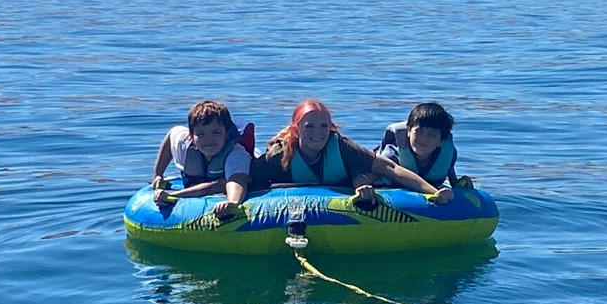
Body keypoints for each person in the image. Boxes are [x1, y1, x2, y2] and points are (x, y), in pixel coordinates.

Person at [250, 99, 452, 203]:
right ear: (296, 130)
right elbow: (246, 177)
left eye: (323, 126)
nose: (318, 133)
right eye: (309, 127)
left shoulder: (342, 147)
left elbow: (390, 168)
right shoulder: (279, 155)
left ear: (330, 127)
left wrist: (434, 193)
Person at [152, 100, 252, 217]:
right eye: (201, 134)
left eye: (216, 132)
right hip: (201, 179)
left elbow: (235, 180)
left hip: (228, 177)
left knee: (224, 183)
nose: (208, 140)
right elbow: (171, 135)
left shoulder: (237, 154)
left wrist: (233, 202)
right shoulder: (185, 144)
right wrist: (158, 174)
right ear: (191, 136)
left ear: (227, 134)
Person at [377, 102, 473, 194]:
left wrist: (461, 183)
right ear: (409, 131)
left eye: (432, 135)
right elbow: (372, 178)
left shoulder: (447, 155)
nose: (423, 139)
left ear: (441, 141)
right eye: (419, 131)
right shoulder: (391, 155)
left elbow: (453, 181)